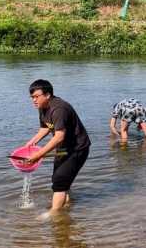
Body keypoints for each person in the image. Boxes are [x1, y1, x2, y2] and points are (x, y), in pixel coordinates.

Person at [23, 79, 91, 214]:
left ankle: (53, 215)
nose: (34, 100)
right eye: (32, 97)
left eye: (37, 96)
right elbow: (46, 128)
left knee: (59, 181)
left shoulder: (59, 109)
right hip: (63, 148)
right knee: (59, 179)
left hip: (77, 148)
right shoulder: (42, 108)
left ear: (47, 95)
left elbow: (59, 136)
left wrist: (38, 155)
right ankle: (66, 207)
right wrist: (31, 143)